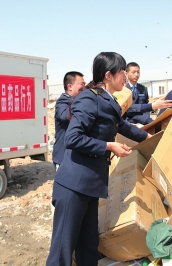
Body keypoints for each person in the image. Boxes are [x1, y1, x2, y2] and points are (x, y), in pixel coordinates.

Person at [46, 52, 151, 266]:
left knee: (88, 247)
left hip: (90, 186)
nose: (125, 77)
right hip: (73, 186)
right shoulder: (89, 98)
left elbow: (124, 127)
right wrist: (108, 145)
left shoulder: (108, 101)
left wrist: (152, 137)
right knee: (62, 252)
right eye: (122, 72)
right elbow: (73, 138)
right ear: (108, 75)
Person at [52, 71, 85, 171]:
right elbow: (64, 116)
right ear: (70, 86)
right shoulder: (63, 101)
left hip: (76, 156)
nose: (84, 87)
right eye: (81, 84)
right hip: (63, 157)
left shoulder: (78, 101)